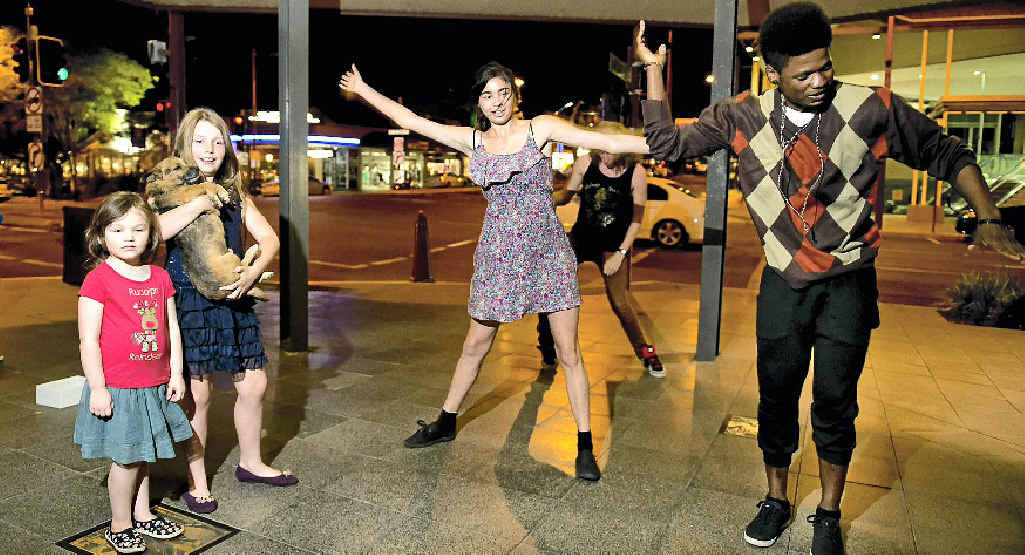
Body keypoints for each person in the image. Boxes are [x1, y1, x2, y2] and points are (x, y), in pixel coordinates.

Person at [635, 4, 1025, 554]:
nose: (820, 81)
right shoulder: (740, 116)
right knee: (775, 400)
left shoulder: (870, 108)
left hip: (848, 281)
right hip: (782, 285)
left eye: (825, 67)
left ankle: (827, 513)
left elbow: (945, 150)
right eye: (804, 74)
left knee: (836, 402)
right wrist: (652, 68)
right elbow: (666, 147)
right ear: (773, 73)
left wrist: (987, 215)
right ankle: (774, 500)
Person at [340, 61, 649, 481]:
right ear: (479, 103)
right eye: (488, 95)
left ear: (514, 95)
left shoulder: (539, 129)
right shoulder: (473, 142)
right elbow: (413, 120)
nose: (497, 101)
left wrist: (682, 142)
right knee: (475, 344)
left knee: (569, 352)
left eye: (503, 92)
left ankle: (584, 445)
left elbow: (599, 138)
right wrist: (363, 89)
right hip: (500, 256)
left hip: (548, 255)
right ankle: (446, 422)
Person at [156, 108, 297, 515]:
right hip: (189, 299)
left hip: (234, 297)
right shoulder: (169, 188)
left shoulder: (235, 191)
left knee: (253, 384)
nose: (209, 149)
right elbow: (157, 231)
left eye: (217, 140)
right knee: (198, 394)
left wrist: (253, 272)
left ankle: (251, 463)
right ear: (185, 145)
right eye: (200, 140)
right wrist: (199, 203)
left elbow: (269, 239)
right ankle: (197, 481)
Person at [74, 191, 191, 553]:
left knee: (144, 454)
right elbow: (88, 341)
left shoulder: (158, 277)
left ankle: (142, 514)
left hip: (153, 383)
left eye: (138, 229)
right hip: (119, 386)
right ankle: (120, 522)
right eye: (117, 228)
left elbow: (172, 329)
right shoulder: (99, 280)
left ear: (150, 235)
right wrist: (98, 388)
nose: (128, 236)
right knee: (126, 459)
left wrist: (176, 374)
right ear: (100, 235)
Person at [537, 121, 664, 379]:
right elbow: (566, 195)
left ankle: (646, 353)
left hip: (613, 246)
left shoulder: (636, 172)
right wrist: (544, 198)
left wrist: (620, 254)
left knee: (620, 303)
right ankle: (547, 348)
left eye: (608, 150)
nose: (604, 155)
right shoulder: (585, 164)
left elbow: (636, 220)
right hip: (581, 239)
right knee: (550, 287)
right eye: (600, 149)